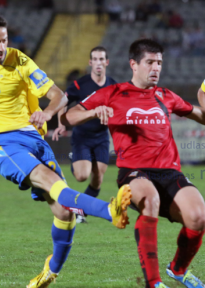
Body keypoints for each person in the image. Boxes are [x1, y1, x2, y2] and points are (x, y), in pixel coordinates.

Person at [0, 12, 132, 288]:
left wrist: (46, 112)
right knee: (52, 182)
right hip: (0, 142)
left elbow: (59, 95)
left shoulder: (20, 61)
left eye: (5, 40)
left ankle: (51, 271)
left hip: (33, 137)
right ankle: (108, 210)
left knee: (64, 212)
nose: (1, 47)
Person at [62, 38, 205, 288]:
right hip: (134, 173)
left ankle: (178, 270)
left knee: (198, 217)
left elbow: (199, 115)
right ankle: (153, 282)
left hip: (170, 173)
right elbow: (70, 115)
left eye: (159, 62)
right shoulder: (113, 93)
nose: (156, 68)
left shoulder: (166, 95)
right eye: (150, 62)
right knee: (150, 200)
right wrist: (93, 112)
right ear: (134, 64)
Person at [52, 46, 116, 223]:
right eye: (95, 59)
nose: (98, 63)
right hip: (82, 136)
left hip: (102, 137)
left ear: (106, 62)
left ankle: (80, 212)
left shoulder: (113, 85)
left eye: (101, 59)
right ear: (90, 63)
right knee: (82, 176)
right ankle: (75, 158)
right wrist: (60, 123)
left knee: (98, 179)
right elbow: (63, 101)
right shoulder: (81, 84)